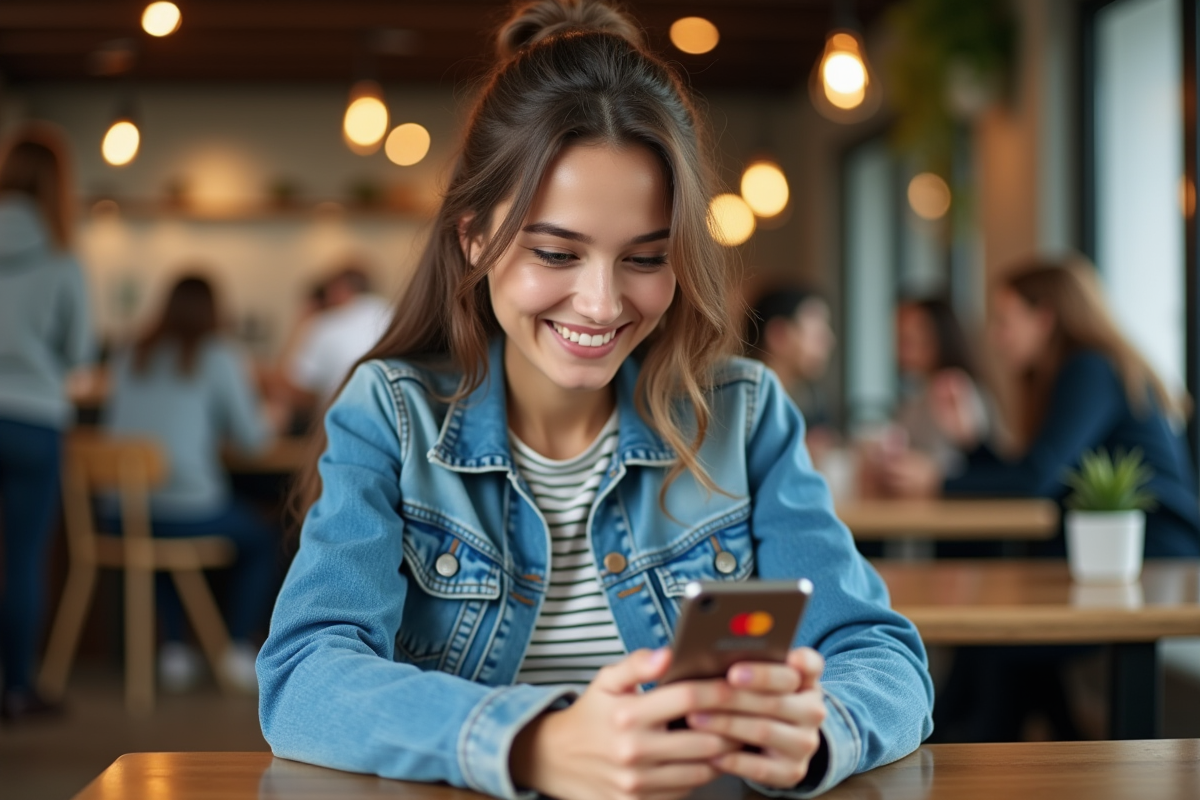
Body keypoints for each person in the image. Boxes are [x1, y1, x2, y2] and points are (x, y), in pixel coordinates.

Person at [257, 3, 932, 799]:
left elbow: (882, 658)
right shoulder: (391, 416)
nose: (603, 304)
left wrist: (816, 734)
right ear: (473, 237)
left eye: (645, 259)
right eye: (555, 252)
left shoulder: (744, 416)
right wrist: (533, 744)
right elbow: (305, 676)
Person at [880, 257, 1200, 557]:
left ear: (1044, 318)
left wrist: (937, 482)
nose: (996, 337)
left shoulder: (1089, 369)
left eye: (1004, 322)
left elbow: (1034, 480)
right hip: (1111, 549)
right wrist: (972, 441)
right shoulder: (1071, 373)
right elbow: (1030, 474)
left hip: (1151, 550)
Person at [104, 275, 279, 693]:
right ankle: (236, 645)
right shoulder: (219, 355)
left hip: (118, 512)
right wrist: (274, 416)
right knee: (265, 538)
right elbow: (254, 443)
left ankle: (175, 650)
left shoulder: (130, 351)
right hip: (186, 507)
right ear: (215, 311)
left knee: (159, 539)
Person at [0, 124, 93, 721]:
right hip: (34, 420)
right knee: (24, 558)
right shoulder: (62, 256)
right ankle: (16, 688)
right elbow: (80, 354)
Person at [746, 287, 838, 463]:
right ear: (778, 335)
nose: (829, 341)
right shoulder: (745, 402)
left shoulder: (811, 399)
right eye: (817, 334)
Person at [283, 261, 392, 404]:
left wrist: (301, 323)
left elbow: (295, 384)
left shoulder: (326, 324)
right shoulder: (391, 312)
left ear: (337, 289)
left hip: (345, 412)